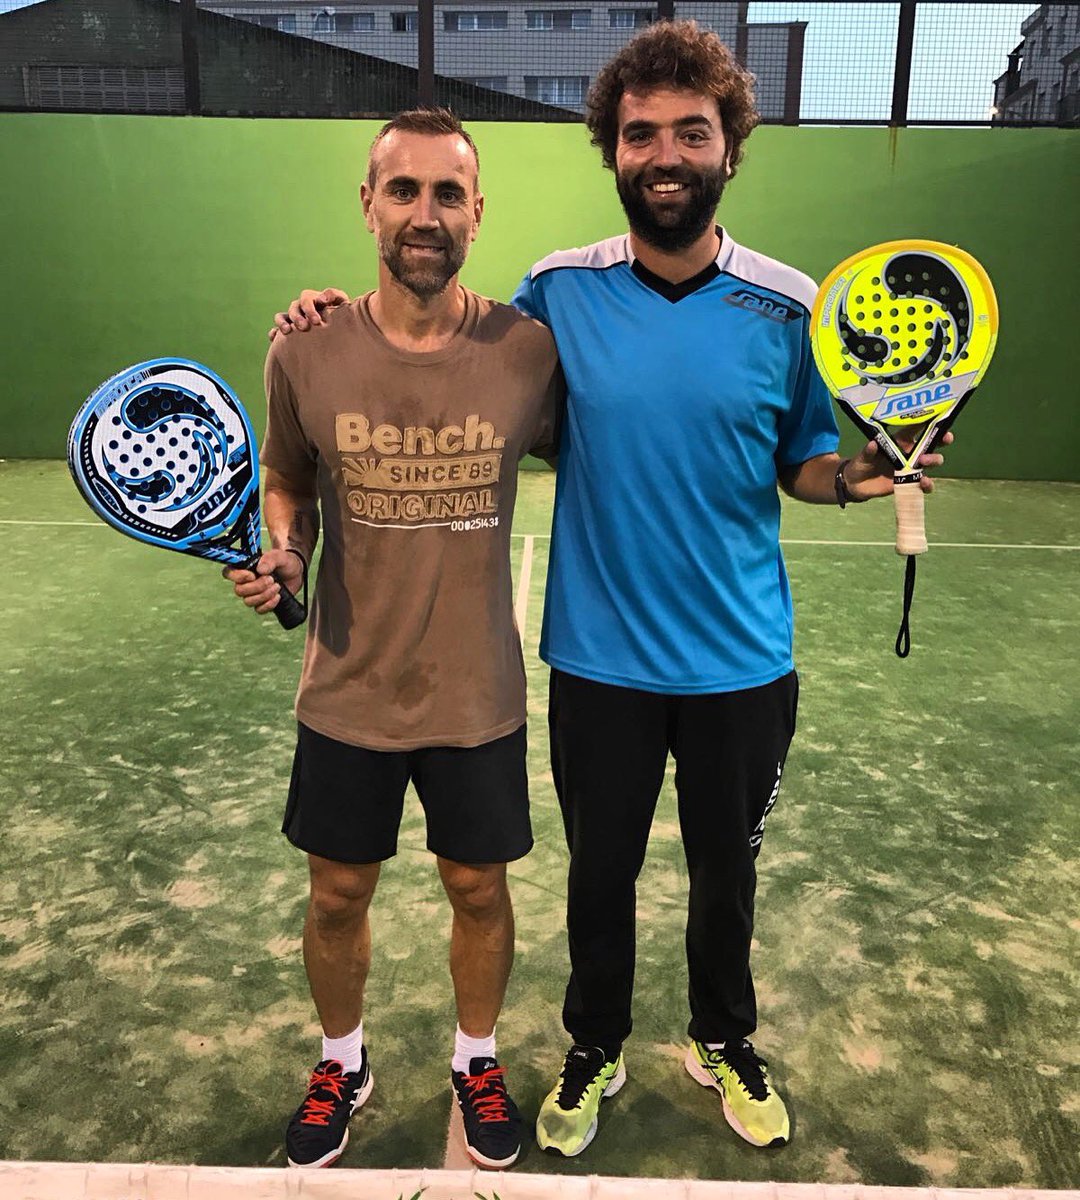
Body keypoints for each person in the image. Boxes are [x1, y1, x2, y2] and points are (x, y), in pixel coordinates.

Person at [272, 20, 950, 1159]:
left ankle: (723, 1038)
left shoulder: (788, 308)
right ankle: (592, 1045)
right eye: (642, 134)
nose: (666, 152)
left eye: (692, 129)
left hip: (744, 660)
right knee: (602, 880)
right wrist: (318, 323)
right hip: (598, 661)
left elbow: (804, 465)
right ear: (615, 151)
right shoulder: (555, 298)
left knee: (726, 877)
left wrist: (861, 480)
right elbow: (440, 361)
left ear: (729, 142)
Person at [232, 106, 562, 1171]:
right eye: (405, 191)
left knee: (478, 889)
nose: (426, 214)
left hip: (477, 694)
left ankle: (477, 1058)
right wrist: (285, 547)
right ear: (368, 203)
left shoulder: (528, 353)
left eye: (448, 193)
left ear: (478, 212)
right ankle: (344, 1059)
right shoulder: (307, 350)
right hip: (349, 692)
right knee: (337, 894)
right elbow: (289, 476)